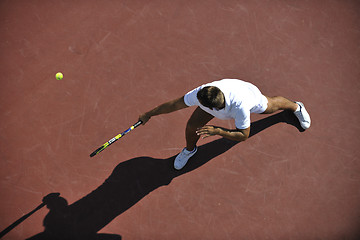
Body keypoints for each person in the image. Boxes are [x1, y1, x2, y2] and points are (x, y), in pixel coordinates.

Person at [139, 79, 310, 170]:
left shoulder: (241, 107)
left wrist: (218, 131)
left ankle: (296, 106)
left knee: (271, 106)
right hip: (220, 102)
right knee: (192, 126)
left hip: (249, 94)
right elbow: (175, 104)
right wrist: (149, 114)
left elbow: (243, 135)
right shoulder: (202, 93)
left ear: (211, 107)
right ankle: (189, 150)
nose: (194, 101)